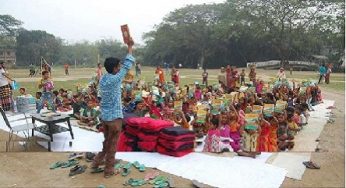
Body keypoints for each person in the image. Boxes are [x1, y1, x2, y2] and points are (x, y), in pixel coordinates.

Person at [91, 38, 135, 178]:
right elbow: (128, 64)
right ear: (115, 69)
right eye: (118, 66)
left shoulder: (103, 78)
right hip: (115, 119)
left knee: (107, 142)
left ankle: (96, 162)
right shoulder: (115, 79)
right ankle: (109, 170)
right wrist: (129, 46)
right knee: (112, 146)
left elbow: (124, 66)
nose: (120, 68)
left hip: (105, 117)